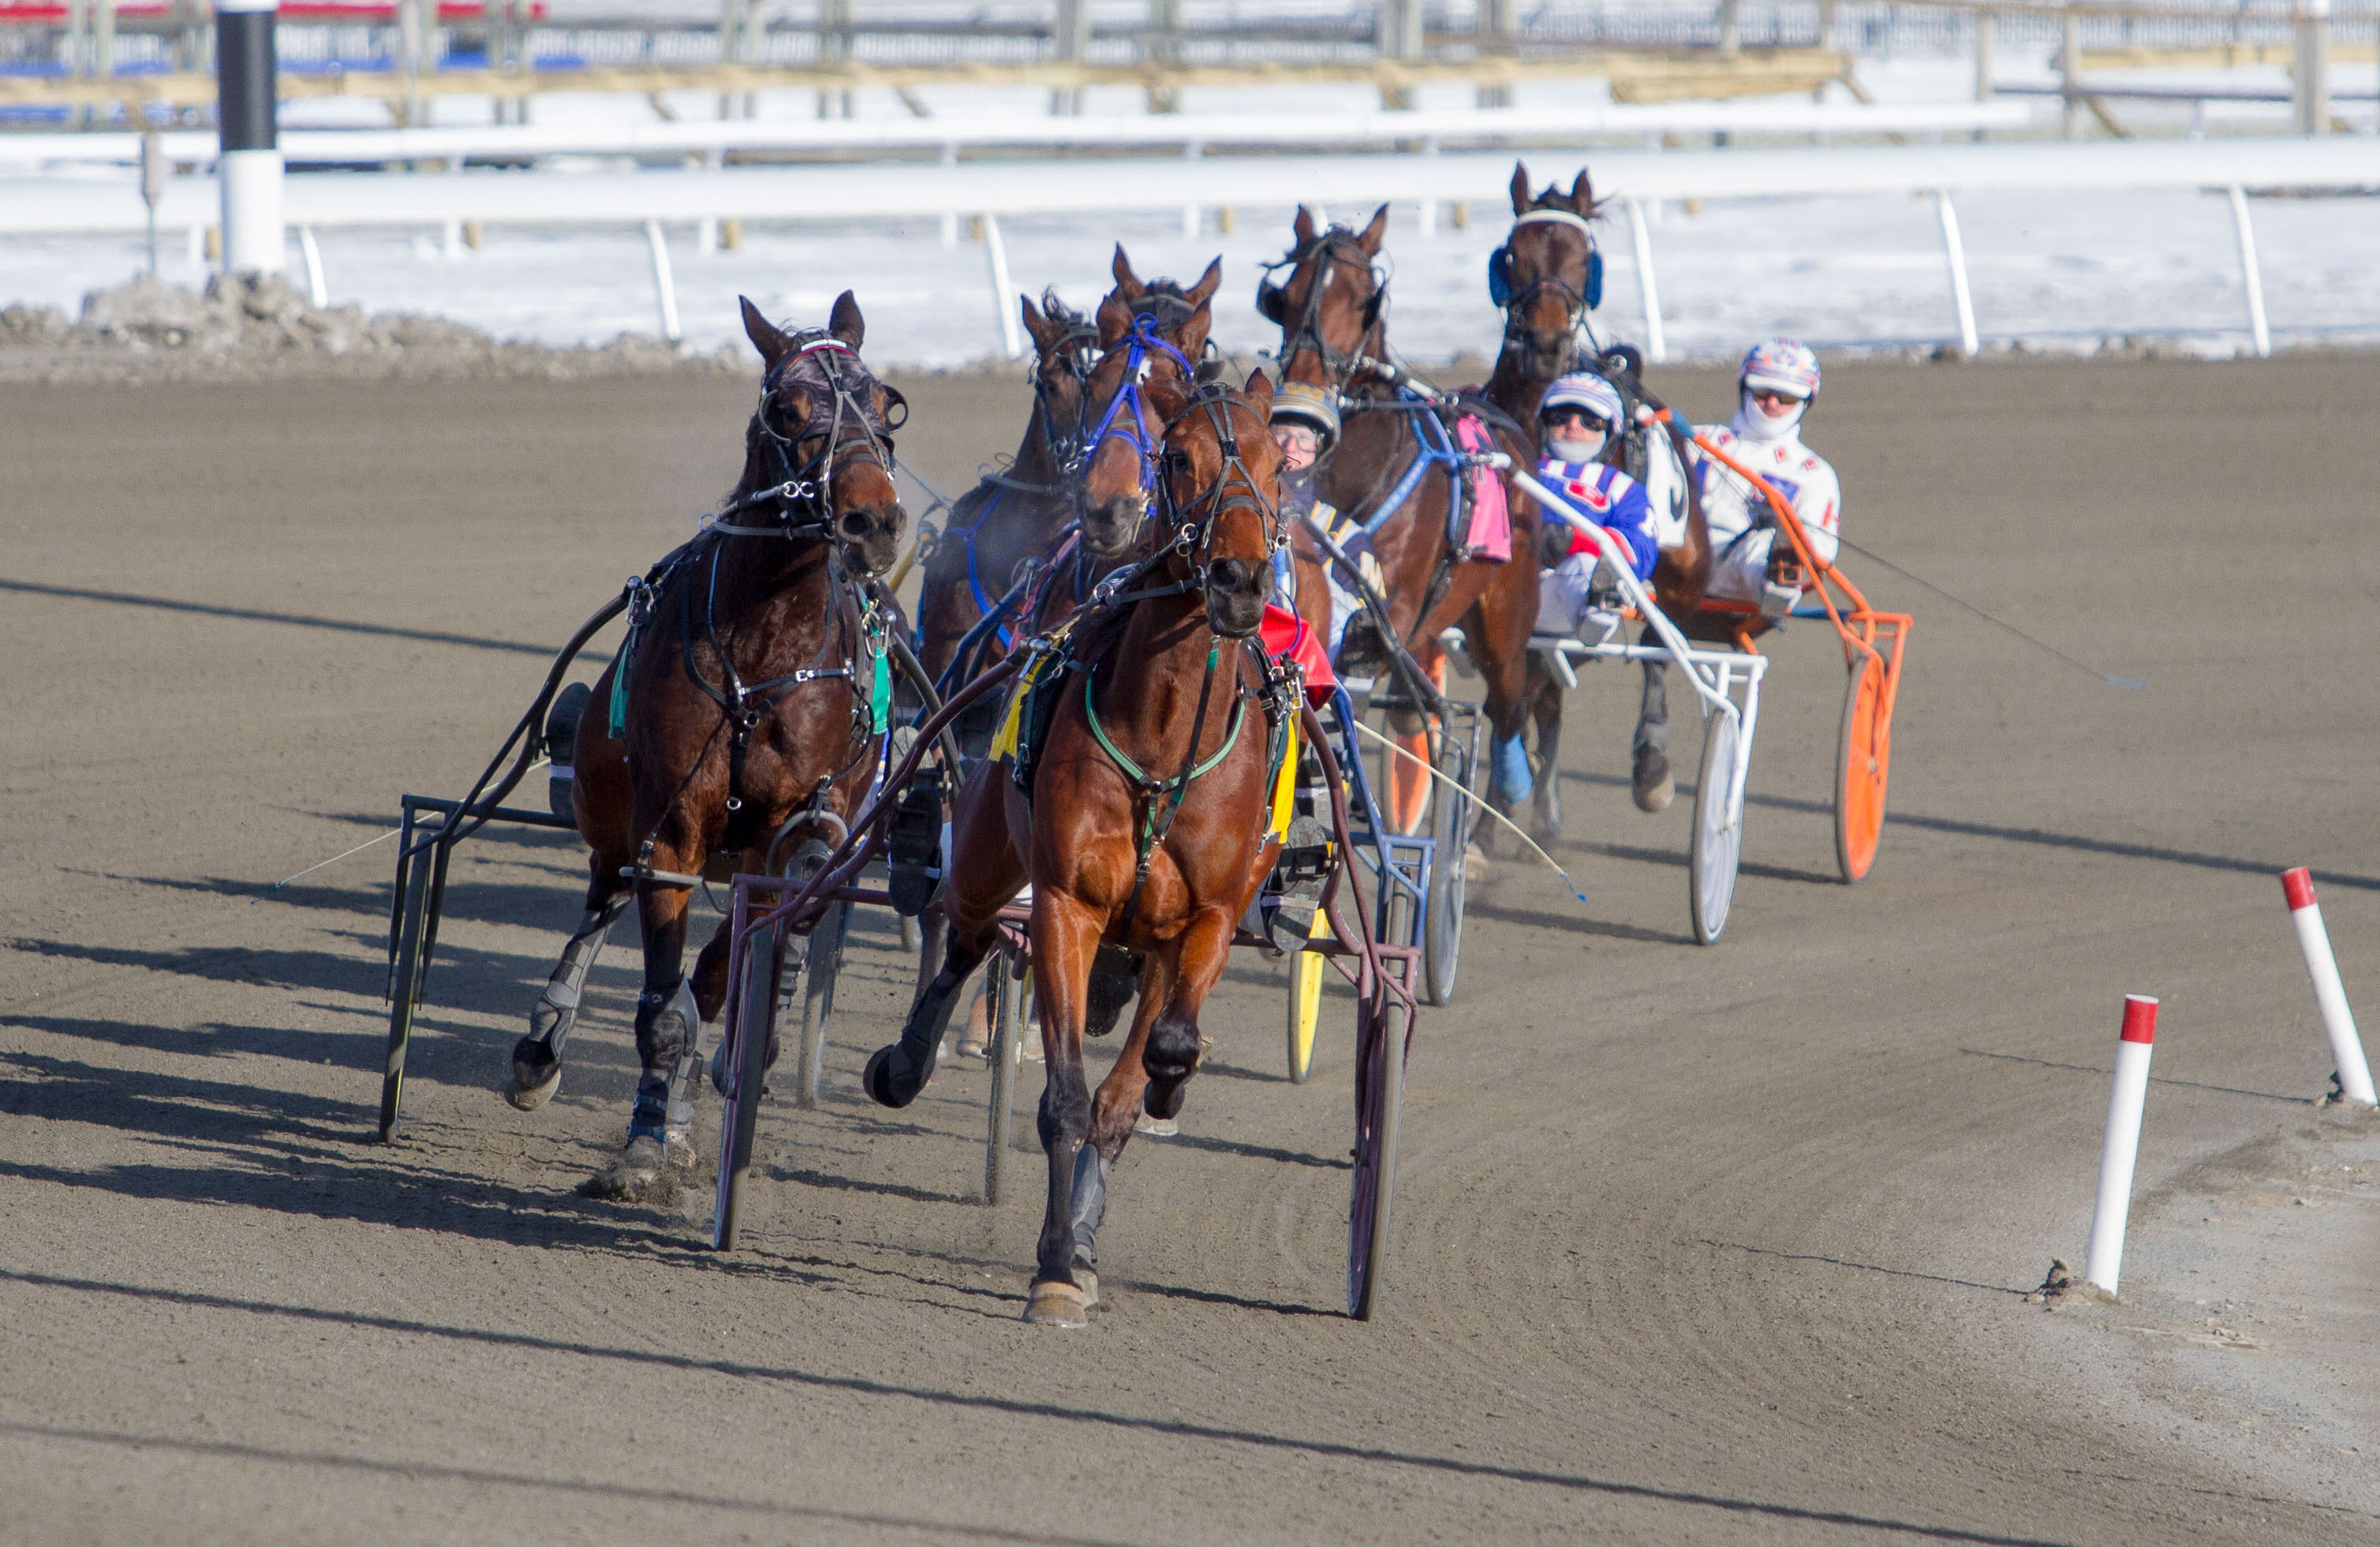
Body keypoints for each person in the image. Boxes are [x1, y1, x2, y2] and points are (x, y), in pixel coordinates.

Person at [1692, 338, 1840, 620]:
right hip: (1674, 558)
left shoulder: (1812, 472)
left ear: (1805, 401)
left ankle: (1777, 580)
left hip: (1740, 579)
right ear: (1744, 387)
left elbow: (1821, 549)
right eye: (1762, 392)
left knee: (1764, 546)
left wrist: (1785, 543)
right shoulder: (1697, 440)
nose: (1771, 404)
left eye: (1786, 398)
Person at [1531, 371, 1658, 637]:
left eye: (1591, 421)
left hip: (1562, 592)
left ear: (1611, 431)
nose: (1574, 425)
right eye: (1561, 416)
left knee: (1590, 568)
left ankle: (1598, 608)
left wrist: (1571, 540)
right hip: (1504, 579)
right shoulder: (1518, 468)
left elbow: (1640, 549)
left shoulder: (1621, 487)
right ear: (1544, 422)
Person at [1268, 382, 1384, 662]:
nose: (1289, 447)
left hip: (1314, 678)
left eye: (1303, 438)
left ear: (1320, 450)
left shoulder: (1349, 539)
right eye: (1280, 434)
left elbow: (1361, 643)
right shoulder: (1234, 514)